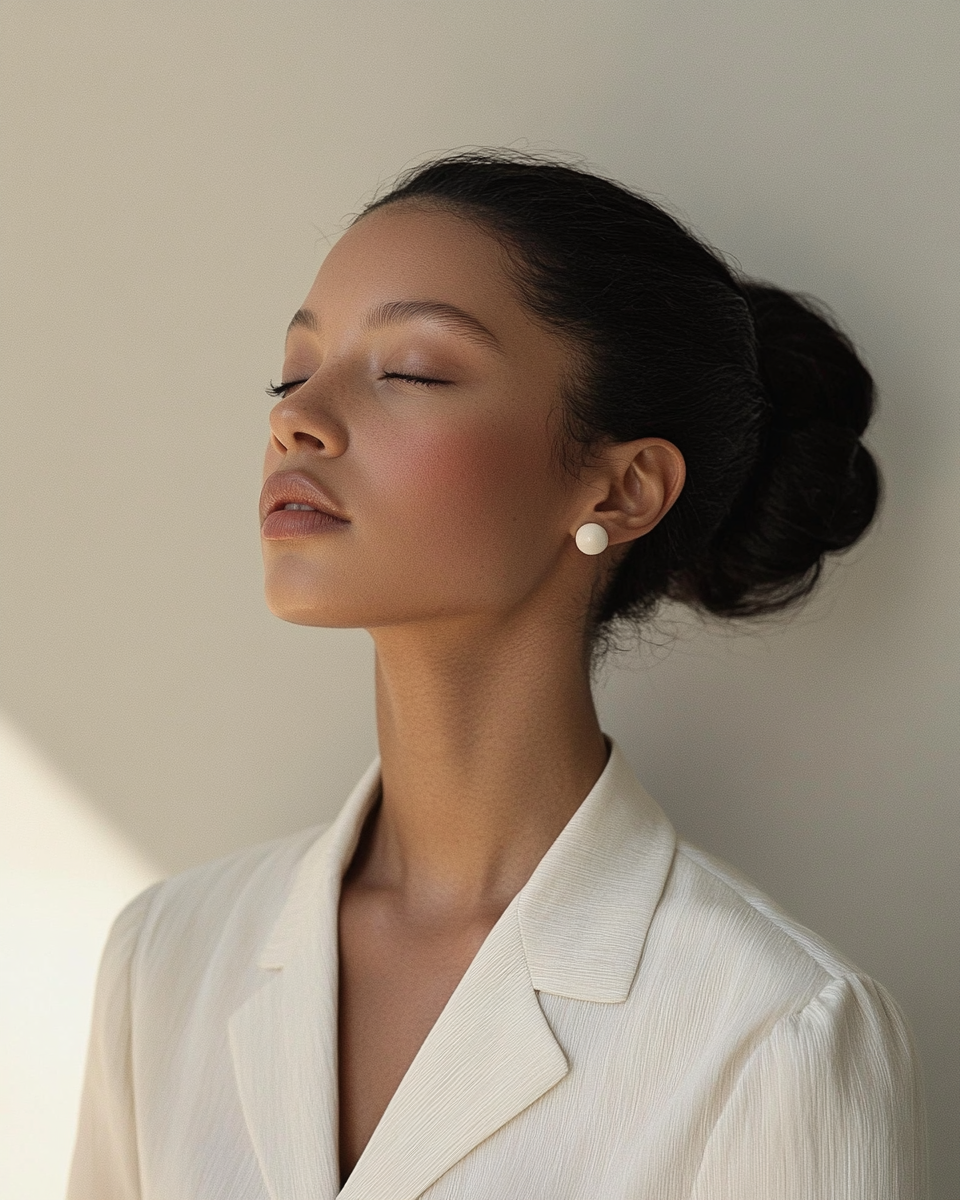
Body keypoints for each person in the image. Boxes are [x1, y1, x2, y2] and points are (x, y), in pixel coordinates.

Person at [68, 153, 925, 1199]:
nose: (297, 416)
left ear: (625, 487)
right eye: (293, 372)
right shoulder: (167, 958)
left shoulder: (773, 1032)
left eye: (414, 371)